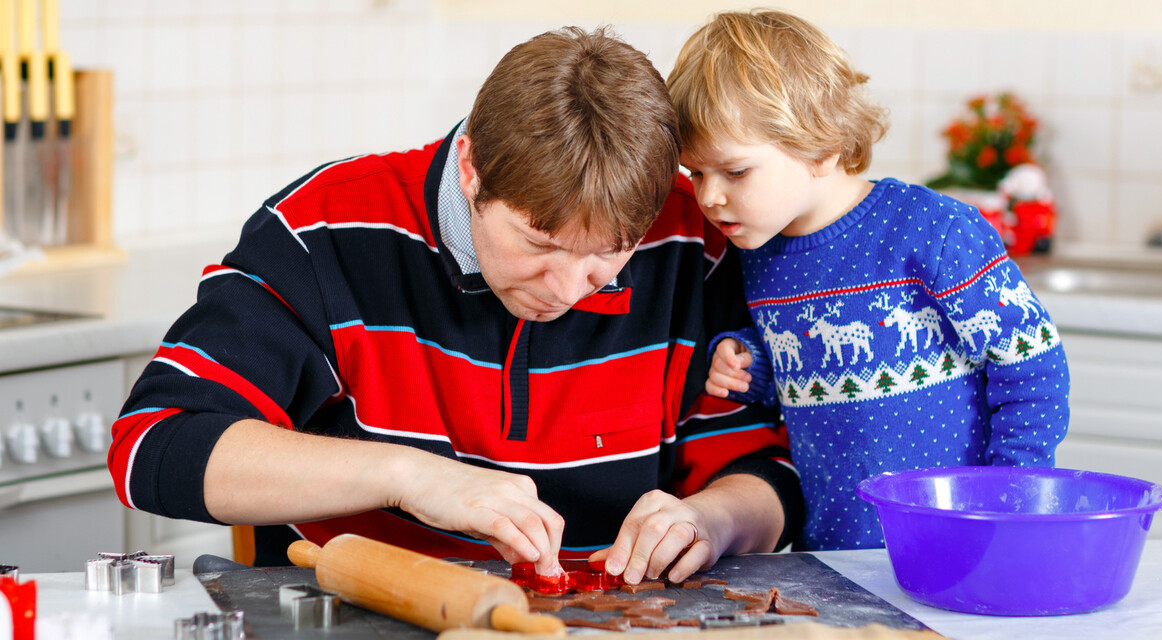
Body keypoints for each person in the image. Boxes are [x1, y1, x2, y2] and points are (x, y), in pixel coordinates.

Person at [107, 26, 803, 583]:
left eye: (609, 254)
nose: (566, 289)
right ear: (471, 169)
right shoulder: (325, 232)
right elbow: (154, 445)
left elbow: (767, 468)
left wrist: (714, 521)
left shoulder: (690, 237)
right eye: (538, 243)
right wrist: (403, 476)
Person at [667, 10, 1070, 551]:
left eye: (734, 172)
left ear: (823, 146)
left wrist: (1011, 496)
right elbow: (799, 374)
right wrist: (749, 365)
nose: (709, 196)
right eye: (696, 173)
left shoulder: (934, 231)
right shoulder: (756, 250)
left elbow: (1033, 368)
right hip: (833, 557)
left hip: (961, 542)